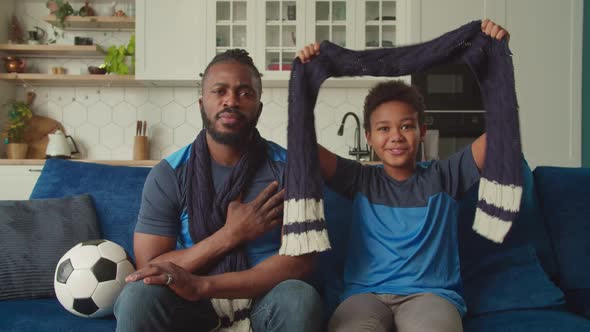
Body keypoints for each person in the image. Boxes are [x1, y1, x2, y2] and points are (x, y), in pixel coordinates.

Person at [296, 19, 509, 332]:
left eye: (406, 126)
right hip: (364, 297)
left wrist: (497, 62)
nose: (396, 136)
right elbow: (302, 145)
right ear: (368, 137)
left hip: (430, 296)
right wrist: (305, 78)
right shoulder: (359, 179)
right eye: (384, 129)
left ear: (422, 132)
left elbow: (502, 134)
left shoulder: (446, 175)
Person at [114, 49, 322, 332]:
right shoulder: (169, 174)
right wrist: (231, 234)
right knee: (139, 294)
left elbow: (299, 264)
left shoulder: (292, 170)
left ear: (259, 107)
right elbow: (150, 266)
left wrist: (204, 285)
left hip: (264, 297)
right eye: (219, 91)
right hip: (190, 303)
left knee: (300, 298)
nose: (231, 101)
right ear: (202, 105)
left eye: (245, 93)